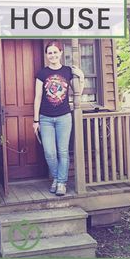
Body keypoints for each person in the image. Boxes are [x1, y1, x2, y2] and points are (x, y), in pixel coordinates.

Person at [33, 41, 84, 196]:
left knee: (63, 151)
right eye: (50, 53)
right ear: (47, 55)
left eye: (55, 52)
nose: (53, 55)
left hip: (64, 117)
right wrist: (36, 121)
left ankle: (61, 183)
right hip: (45, 118)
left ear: (61, 53)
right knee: (49, 152)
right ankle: (56, 178)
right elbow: (37, 98)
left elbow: (78, 93)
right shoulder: (42, 73)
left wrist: (81, 77)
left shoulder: (68, 71)